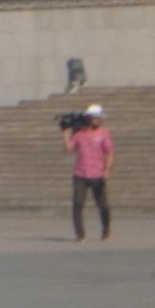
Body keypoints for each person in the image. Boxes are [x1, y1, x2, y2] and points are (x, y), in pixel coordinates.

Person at [66, 104, 114, 243]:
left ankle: (106, 228)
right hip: (80, 174)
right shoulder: (79, 133)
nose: (98, 120)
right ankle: (80, 233)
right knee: (77, 204)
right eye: (95, 117)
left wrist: (107, 169)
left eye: (99, 117)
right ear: (88, 118)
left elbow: (110, 151)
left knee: (102, 204)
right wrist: (65, 133)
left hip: (97, 174)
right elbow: (69, 149)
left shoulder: (103, 133)